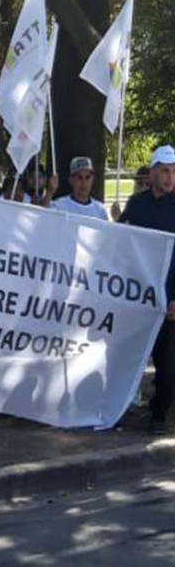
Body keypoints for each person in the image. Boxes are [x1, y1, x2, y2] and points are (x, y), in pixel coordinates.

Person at [118, 145, 175, 434]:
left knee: (167, 363)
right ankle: (118, 406)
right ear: (152, 173)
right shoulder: (137, 204)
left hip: (169, 298)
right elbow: (119, 242)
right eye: (164, 170)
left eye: (174, 171)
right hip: (139, 295)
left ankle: (159, 412)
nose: (170, 177)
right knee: (128, 356)